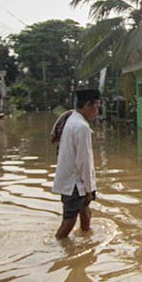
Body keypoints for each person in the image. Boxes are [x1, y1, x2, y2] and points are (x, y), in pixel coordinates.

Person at [52, 89, 100, 239]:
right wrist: (88, 189)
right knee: (68, 222)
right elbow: (84, 162)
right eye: (96, 106)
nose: (97, 111)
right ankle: (56, 247)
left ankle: (86, 235)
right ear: (87, 105)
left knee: (85, 211)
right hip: (74, 183)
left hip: (70, 178)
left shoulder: (72, 118)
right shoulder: (82, 127)